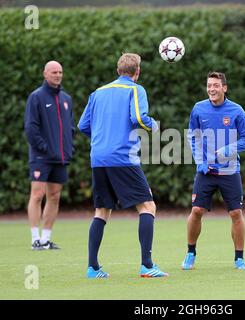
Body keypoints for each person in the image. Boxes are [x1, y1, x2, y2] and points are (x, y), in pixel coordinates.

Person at [78, 53, 168, 279]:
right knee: (148, 207)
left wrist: (102, 138)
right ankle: (147, 266)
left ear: (118, 70)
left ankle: (92, 268)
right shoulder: (135, 90)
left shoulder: (97, 93)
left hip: (98, 158)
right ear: (137, 72)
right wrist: (153, 127)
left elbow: (82, 125)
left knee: (101, 211)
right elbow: (138, 117)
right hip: (122, 157)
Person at [182, 72, 245, 271]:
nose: (211, 89)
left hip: (230, 171)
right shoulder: (198, 109)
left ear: (224, 88)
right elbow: (192, 137)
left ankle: (239, 258)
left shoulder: (237, 111)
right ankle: (190, 253)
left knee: (236, 213)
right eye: (209, 85)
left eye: (215, 85)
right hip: (205, 171)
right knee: (196, 210)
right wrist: (199, 161)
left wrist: (227, 150)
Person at [24, 60, 75, 250]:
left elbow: (70, 127)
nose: (58, 75)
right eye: (54, 72)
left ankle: (45, 240)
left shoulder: (66, 99)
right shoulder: (36, 97)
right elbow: (30, 127)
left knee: (54, 196)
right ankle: (34, 239)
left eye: (60, 72)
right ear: (45, 74)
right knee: (37, 194)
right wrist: (43, 148)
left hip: (60, 157)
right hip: (40, 157)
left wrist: (69, 147)